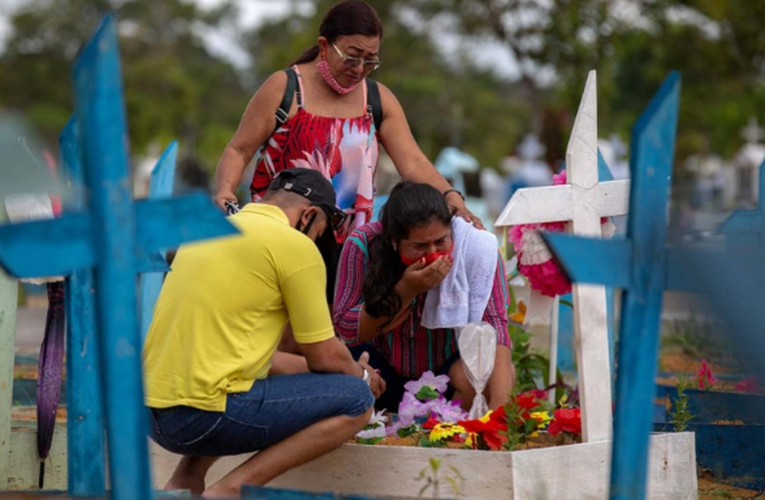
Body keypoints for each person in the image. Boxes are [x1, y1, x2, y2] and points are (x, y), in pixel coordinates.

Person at [143, 168, 385, 498]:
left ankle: (185, 482)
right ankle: (230, 490)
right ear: (308, 215)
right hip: (202, 419)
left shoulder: (208, 231)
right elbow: (324, 356)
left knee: (238, 379)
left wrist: (349, 372)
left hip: (152, 414)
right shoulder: (293, 245)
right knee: (356, 400)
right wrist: (360, 376)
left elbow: (257, 358)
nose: (314, 241)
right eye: (318, 232)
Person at [212, 0, 483, 238]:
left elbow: (412, 161)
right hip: (279, 237)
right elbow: (239, 149)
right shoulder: (285, 89)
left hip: (348, 246)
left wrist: (450, 195)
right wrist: (225, 191)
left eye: (370, 61)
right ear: (323, 46)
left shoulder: (377, 100)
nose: (360, 69)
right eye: (352, 58)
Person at [333, 181, 515, 412]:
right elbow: (347, 328)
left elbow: (495, 325)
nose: (433, 254)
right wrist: (405, 291)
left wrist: (500, 411)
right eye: (419, 246)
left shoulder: (475, 247)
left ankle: (450, 427)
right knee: (342, 375)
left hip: (446, 374)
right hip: (379, 372)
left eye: (441, 242)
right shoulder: (363, 244)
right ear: (394, 242)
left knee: (492, 373)